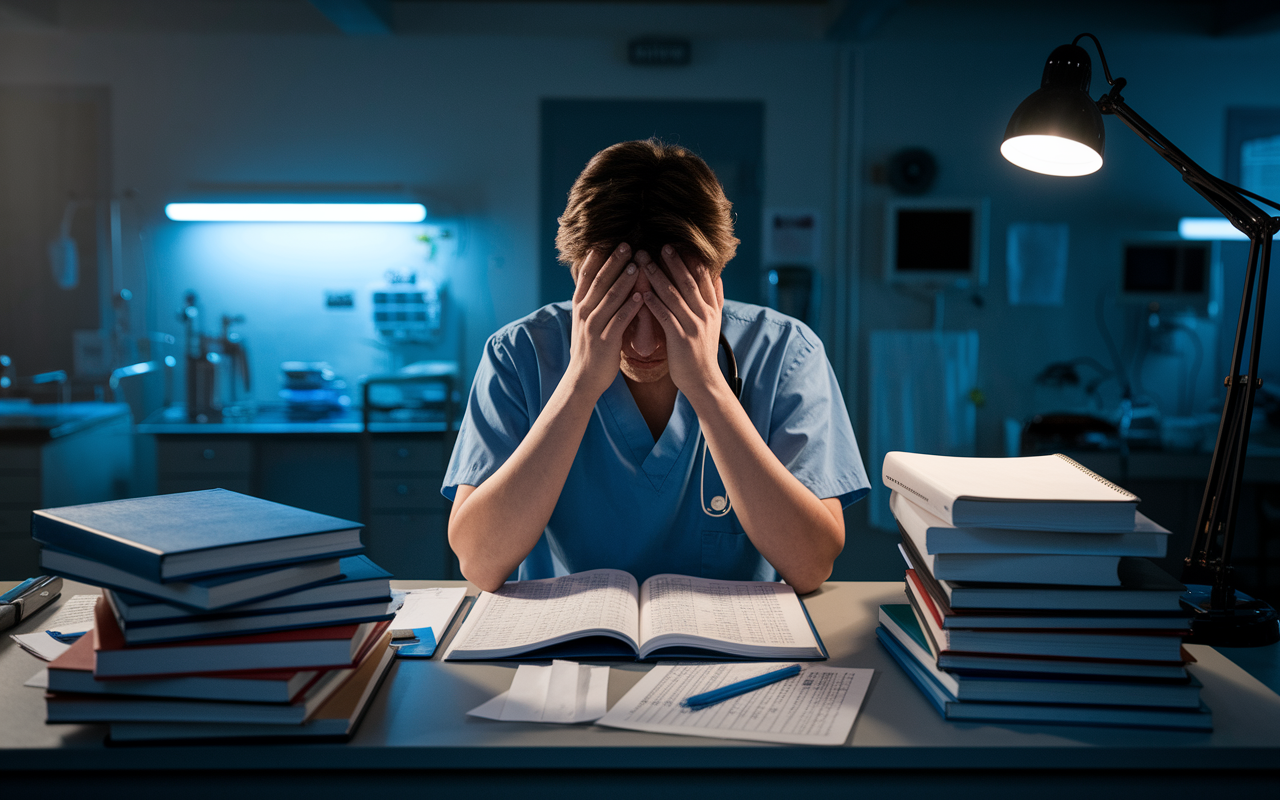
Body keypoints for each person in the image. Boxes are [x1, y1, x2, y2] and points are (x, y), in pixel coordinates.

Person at [443, 139, 869, 594]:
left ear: (714, 277)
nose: (644, 344)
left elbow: (811, 564)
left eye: (670, 307)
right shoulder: (519, 354)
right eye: (619, 306)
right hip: (562, 654)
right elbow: (478, 561)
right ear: (578, 277)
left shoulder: (785, 351)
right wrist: (581, 383)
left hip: (737, 651)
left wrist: (707, 385)